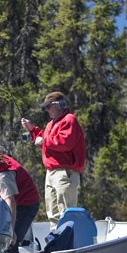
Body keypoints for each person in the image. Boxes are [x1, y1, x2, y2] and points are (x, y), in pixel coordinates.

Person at [21, 92, 85, 230]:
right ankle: (56, 245)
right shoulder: (51, 124)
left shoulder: (69, 119)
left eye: (48, 106)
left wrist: (44, 140)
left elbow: (64, 142)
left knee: (66, 213)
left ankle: (70, 246)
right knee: (53, 214)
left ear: (57, 105)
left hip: (64, 172)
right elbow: (46, 141)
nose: (46, 110)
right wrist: (32, 130)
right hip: (51, 173)